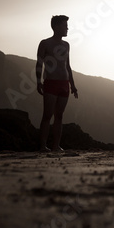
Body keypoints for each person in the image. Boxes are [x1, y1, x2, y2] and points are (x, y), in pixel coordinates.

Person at [36, 15, 78, 151]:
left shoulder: (66, 45)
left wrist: (73, 85)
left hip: (64, 83)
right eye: (65, 26)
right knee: (47, 115)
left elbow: (68, 66)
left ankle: (56, 145)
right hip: (51, 83)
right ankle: (42, 145)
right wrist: (38, 81)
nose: (67, 28)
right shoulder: (45, 43)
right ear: (56, 27)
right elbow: (39, 64)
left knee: (59, 116)